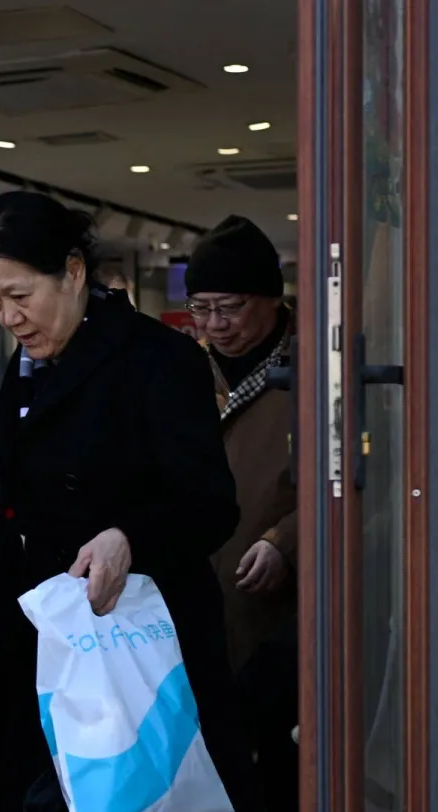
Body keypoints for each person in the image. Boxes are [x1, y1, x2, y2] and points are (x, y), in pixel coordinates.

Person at [0, 191, 284, 812]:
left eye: (21, 295)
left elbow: (208, 503)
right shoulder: (23, 373)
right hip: (60, 655)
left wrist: (129, 537)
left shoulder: (158, 361)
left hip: (148, 661)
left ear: (74, 273)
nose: (9, 317)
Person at [186, 215, 296, 677]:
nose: (215, 325)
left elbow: (367, 483)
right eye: (200, 308)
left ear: (271, 297)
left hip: (284, 615)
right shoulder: (184, 371)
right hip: (194, 612)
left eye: (229, 307)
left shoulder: (319, 369)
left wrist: (286, 542)